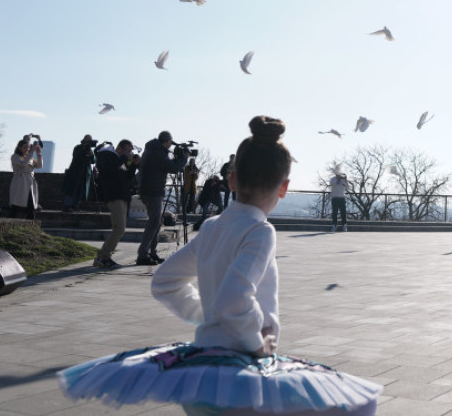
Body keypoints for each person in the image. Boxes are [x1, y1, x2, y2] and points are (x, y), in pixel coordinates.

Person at [58, 116, 382, 416]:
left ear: (231, 180)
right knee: (351, 406)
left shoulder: (212, 227)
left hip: (199, 372)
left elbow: (165, 282)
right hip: (239, 373)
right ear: (284, 188)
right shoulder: (260, 231)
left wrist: (205, 314)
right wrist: (257, 342)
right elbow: (234, 300)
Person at [136, 131, 186, 266]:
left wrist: (177, 158)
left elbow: (167, 166)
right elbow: (173, 168)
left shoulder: (154, 150)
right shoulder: (156, 153)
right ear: (167, 142)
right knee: (154, 222)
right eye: (170, 143)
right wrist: (183, 159)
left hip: (151, 189)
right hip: (152, 191)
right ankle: (142, 255)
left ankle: (151, 252)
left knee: (157, 222)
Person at [93, 139, 135, 269]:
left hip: (122, 196)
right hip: (114, 195)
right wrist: (124, 158)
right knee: (119, 228)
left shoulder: (118, 159)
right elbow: (108, 169)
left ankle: (104, 257)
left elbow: (127, 177)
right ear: (120, 148)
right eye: (128, 150)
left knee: (120, 229)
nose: (130, 153)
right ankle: (102, 257)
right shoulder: (107, 155)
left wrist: (133, 164)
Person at [9, 136, 42, 219]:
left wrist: (38, 154)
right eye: (25, 147)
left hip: (30, 183)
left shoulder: (29, 157)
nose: (27, 149)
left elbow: (39, 166)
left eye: (28, 147)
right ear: (19, 148)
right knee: (16, 205)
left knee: (31, 204)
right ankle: (10, 223)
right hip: (20, 182)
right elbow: (23, 164)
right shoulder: (15, 156)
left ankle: (31, 224)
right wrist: (31, 152)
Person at [61, 135, 96, 212]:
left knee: (81, 190)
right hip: (75, 172)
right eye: (87, 140)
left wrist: (92, 155)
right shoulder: (78, 147)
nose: (88, 142)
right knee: (72, 190)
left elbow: (93, 161)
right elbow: (76, 156)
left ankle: (75, 205)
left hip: (85, 173)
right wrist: (84, 149)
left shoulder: (90, 150)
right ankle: (67, 205)